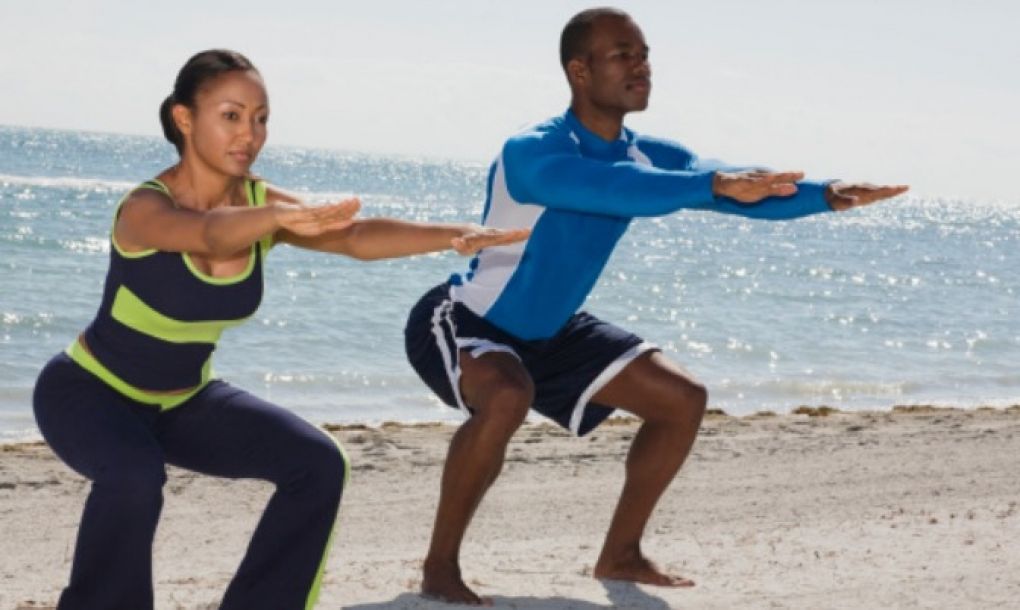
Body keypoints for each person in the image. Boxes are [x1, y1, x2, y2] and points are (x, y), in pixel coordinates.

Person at [403, 7, 909, 605]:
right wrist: (713, 185)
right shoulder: (533, 151)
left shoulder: (653, 155)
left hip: (554, 331)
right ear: (580, 71)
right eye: (623, 54)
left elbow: (733, 186)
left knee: (680, 400)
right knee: (508, 395)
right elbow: (612, 188)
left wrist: (825, 195)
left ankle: (621, 553)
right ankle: (440, 568)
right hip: (467, 318)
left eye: (644, 54)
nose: (641, 65)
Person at [31, 49, 527, 610]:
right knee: (133, 477)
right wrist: (276, 218)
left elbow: (355, 236)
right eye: (232, 115)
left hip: (184, 403)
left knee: (317, 464)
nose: (251, 133)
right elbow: (209, 235)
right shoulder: (145, 208)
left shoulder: (263, 204)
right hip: (89, 395)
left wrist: (452, 234)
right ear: (184, 119)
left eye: (261, 117)